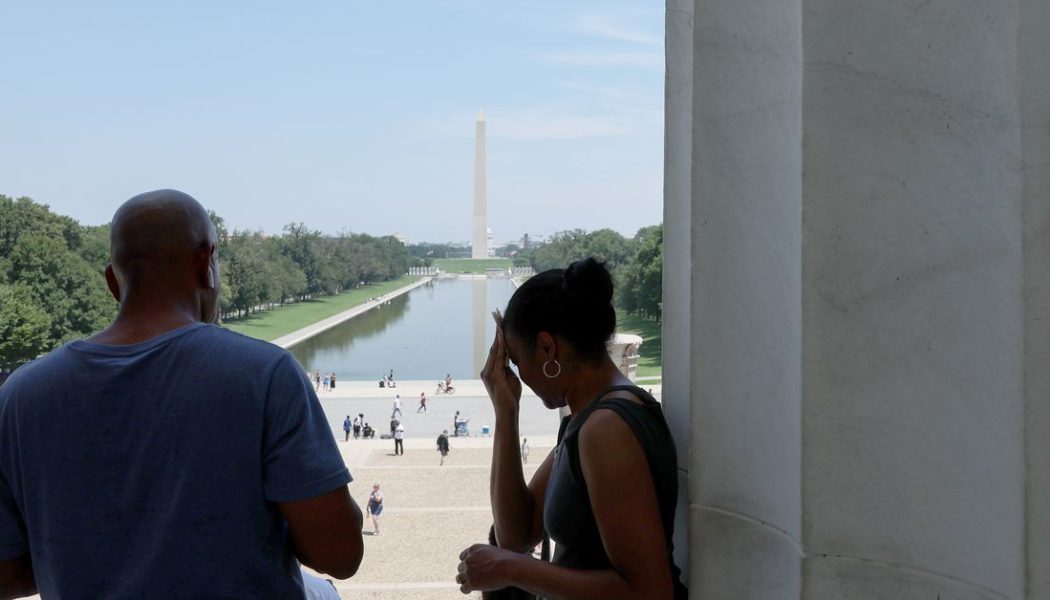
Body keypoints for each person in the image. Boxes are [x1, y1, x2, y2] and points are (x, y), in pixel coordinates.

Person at [0, 190, 364, 598]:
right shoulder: (264, 374)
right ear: (206, 263)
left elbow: (8, 574)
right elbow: (339, 555)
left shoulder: (20, 395)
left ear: (111, 281)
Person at [456, 258, 687, 598]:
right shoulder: (585, 421)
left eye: (518, 362)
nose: (520, 376)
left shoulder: (607, 428)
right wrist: (506, 412)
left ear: (547, 348)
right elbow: (517, 533)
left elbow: (650, 592)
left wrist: (510, 568)